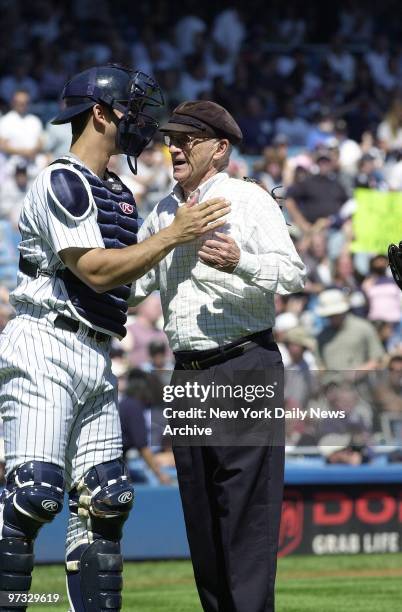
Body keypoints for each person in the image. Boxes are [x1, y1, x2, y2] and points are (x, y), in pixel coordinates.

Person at [0, 66, 229, 611]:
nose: (142, 122)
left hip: (98, 351)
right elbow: (98, 272)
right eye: (132, 109)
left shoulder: (118, 194)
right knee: (32, 494)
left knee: (107, 500)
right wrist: (176, 234)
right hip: (45, 346)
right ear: (100, 113)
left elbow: (121, 288)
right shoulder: (62, 179)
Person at [131, 100, 306, 612]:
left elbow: (294, 275)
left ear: (220, 149)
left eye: (188, 139)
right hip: (186, 375)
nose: (175, 147)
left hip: (242, 363)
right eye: (172, 139)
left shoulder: (247, 200)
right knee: (203, 523)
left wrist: (241, 261)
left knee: (247, 521)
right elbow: (135, 284)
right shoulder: (164, 211)